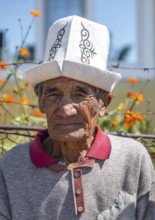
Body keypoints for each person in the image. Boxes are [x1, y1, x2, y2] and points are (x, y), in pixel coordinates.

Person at [0, 15, 155, 220]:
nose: (66, 109)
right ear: (40, 101)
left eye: (81, 94)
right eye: (53, 94)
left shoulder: (133, 159)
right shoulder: (12, 166)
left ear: (104, 104)